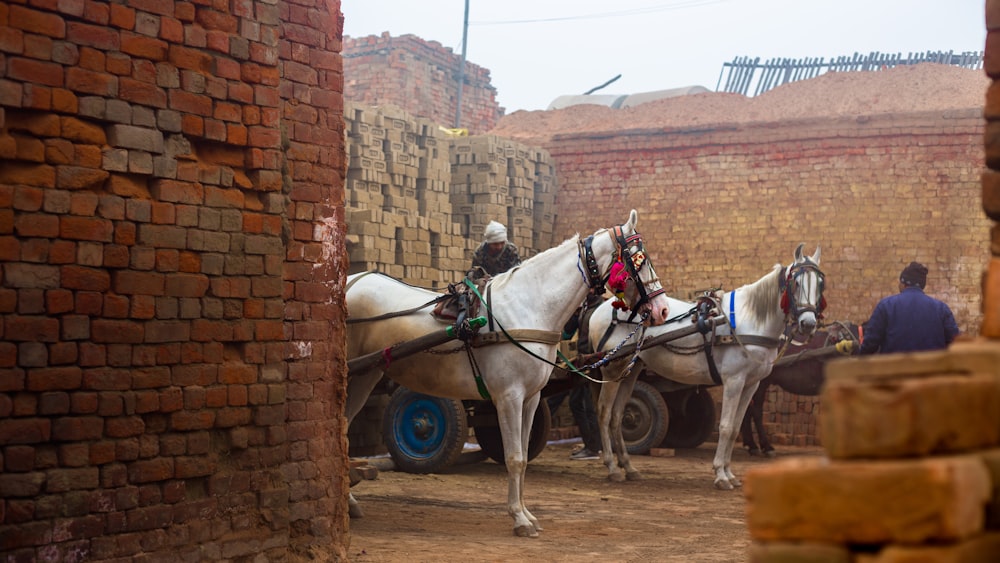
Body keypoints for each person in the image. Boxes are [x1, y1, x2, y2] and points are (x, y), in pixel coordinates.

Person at [547, 288, 604, 461]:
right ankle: (594, 445)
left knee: (586, 405)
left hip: (592, 363)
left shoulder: (601, 310)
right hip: (581, 363)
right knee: (577, 402)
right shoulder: (586, 308)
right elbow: (567, 333)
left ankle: (593, 448)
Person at [857, 261, 960, 355]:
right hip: (932, 372)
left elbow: (870, 344)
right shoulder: (941, 309)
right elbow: (956, 343)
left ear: (903, 282)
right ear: (922, 285)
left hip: (894, 372)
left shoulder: (886, 306)